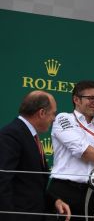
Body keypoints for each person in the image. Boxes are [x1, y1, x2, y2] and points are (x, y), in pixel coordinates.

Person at [47, 81, 94, 220]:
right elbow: (83, 151)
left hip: (92, 194)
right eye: (91, 98)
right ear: (76, 99)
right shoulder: (63, 118)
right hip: (64, 190)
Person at [0, 90, 71, 221]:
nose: (54, 118)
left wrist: (54, 201)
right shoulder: (11, 135)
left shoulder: (28, 135)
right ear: (42, 113)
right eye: (53, 113)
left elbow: (30, 184)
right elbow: (3, 182)